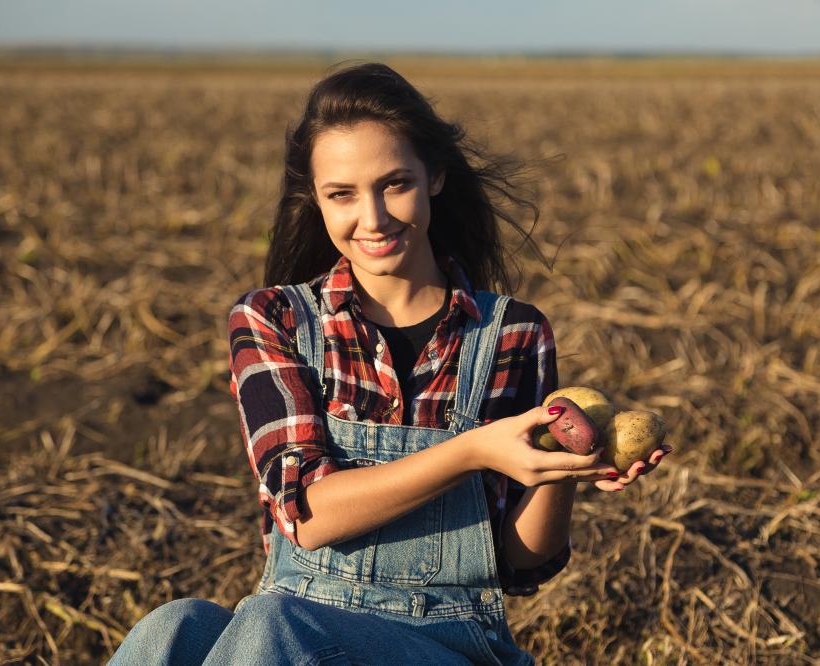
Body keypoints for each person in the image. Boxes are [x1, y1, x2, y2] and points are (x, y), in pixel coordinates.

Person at [108, 61, 671, 666]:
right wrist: (474, 450)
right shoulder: (275, 321)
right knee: (175, 627)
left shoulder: (512, 332)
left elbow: (520, 562)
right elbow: (311, 515)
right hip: (293, 620)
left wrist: (561, 469)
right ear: (316, 200)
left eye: (394, 183)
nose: (372, 218)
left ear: (435, 177)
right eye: (342, 194)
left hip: (449, 641)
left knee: (272, 628)